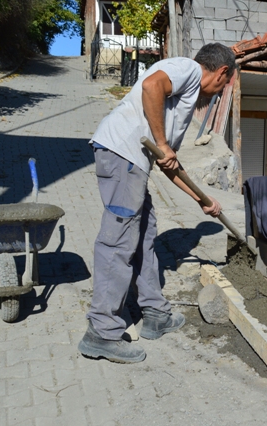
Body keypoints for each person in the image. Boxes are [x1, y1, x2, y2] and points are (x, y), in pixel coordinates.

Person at [79, 43, 237, 364]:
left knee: (145, 232)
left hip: (133, 163)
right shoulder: (189, 70)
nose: (218, 95)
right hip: (123, 155)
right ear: (221, 72)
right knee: (119, 241)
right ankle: (102, 331)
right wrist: (162, 144)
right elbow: (152, 86)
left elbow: (169, 164)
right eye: (223, 86)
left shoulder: (184, 97)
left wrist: (202, 200)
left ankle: (154, 313)